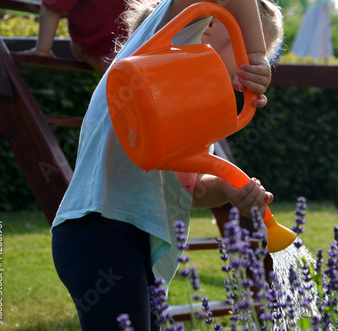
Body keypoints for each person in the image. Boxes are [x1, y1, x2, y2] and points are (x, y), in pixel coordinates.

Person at [51, 0, 284, 330]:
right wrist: (259, 57)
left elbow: (193, 187)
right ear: (211, 24)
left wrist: (229, 190)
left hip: (137, 242)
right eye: (245, 49)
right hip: (100, 231)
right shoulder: (162, 45)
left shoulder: (187, 103)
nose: (248, 73)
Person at [18, 0, 127, 74]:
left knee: (76, 46)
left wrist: (42, 50)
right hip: (136, 38)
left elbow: (52, 6)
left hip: (111, 47)